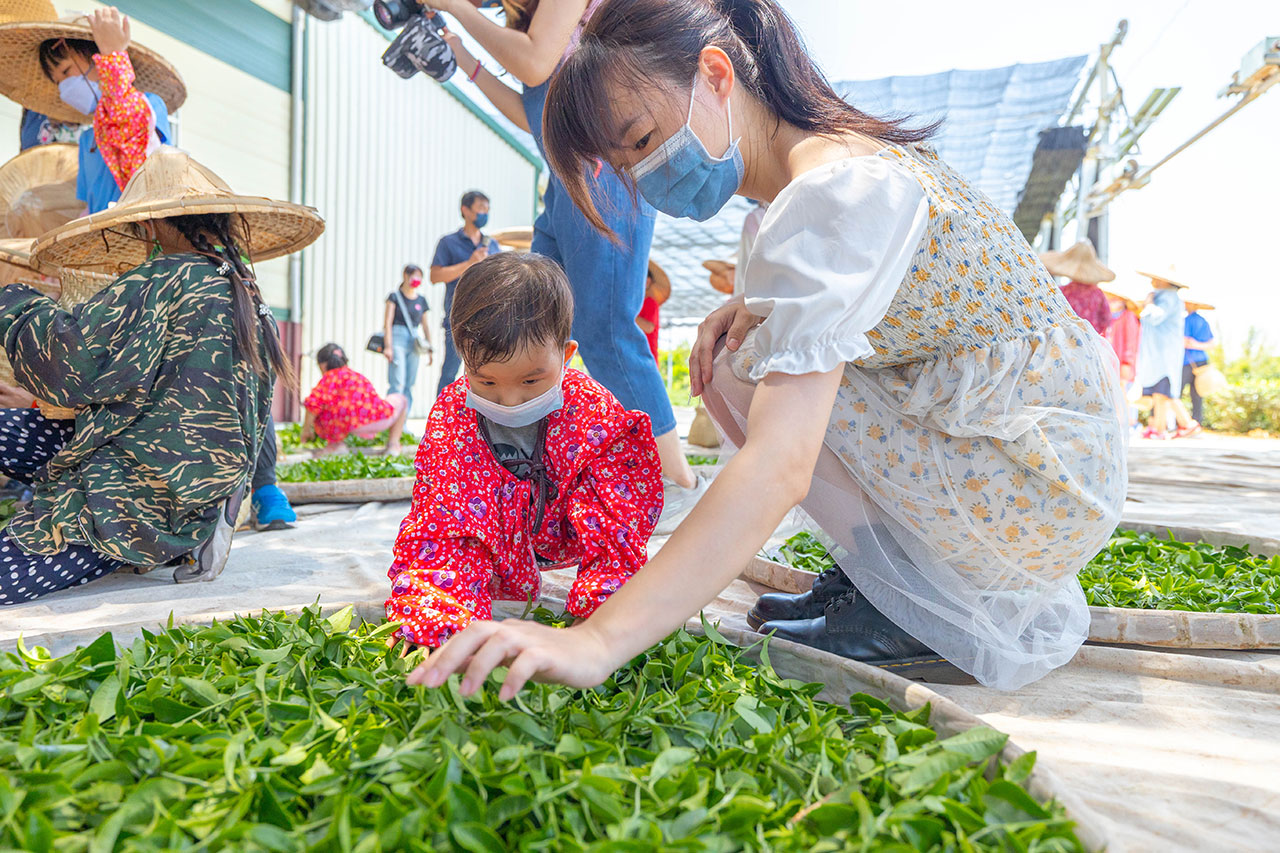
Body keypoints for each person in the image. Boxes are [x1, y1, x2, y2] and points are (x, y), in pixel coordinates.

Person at [406, 0, 1126, 698]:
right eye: (624, 165)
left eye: (642, 138)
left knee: (749, 370)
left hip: (1033, 486)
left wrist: (598, 640)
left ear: (716, 74)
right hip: (1045, 466)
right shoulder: (840, 159)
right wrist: (753, 305)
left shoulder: (831, 193)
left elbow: (780, 464)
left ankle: (914, 603)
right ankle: (887, 582)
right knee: (736, 350)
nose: (647, 175)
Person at [0, 147, 321, 604]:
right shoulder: (246, 292)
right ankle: (180, 537)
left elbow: (68, 362)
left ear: (149, 225)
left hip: (131, 503)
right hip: (193, 495)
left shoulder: (165, 278)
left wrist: (15, 300)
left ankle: (128, 542)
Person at [436, 1, 706, 534]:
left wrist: (455, 9)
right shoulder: (523, 24)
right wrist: (462, 57)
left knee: (606, 328)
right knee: (529, 321)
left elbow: (535, 61)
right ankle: (527, 482)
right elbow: (532, 114)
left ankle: (677, 482)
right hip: (564, 181)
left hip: (602, 171)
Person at [385, 252, 662, 648]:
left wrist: (602, 626)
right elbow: (443, 522)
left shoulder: (592, 411)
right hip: (488, 529)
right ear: (464, 361)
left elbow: (617, 522)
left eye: (532, 381)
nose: (510, 401)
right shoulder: (454, 414)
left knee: (616, 583)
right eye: (487, 382)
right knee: (442, 572)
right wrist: (436, 618)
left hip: (564, 528)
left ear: (566, 355)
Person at [430, 193, 495, 397]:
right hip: (457, 319)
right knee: (449, 372)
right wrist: (469, 264)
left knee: (485, 373)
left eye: (487, 209)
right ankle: (441, 414)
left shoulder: (492, 245)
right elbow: (435, 276)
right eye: (481, 208)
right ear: (465, 210)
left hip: (488, 321)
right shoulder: (448, 242)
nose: (485, 213)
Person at [302, 343, 409, 456]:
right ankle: (393, 445)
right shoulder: (356, 376)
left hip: (342, 427)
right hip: (374, 420)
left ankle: (335, 445)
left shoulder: (327, 380)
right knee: (401, 399)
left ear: (323, 365)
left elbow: (312, 405)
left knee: (331, 409)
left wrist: (306, 430)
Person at [1135, 267, 1189, 440]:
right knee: (1160, 393)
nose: (1153, 282)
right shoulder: (1164, 297)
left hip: (1164, 354)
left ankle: (1188, 423)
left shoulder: (1168, 298)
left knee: (1167, 392)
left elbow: (1154, 317)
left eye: (1157, 279)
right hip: (1159, 354)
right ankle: (1158, 428)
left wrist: (1149, 303)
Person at [384, 263, 434, 413]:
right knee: (397, 383)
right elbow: (387, 323)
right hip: (397, 338)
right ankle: (391, 418)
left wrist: (430, 348)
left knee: (409, 384)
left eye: (419, 276)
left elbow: (425, 326)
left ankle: (403, 421)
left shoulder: (421, 300)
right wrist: (388, 346)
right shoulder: (394, 297)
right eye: (414, 275)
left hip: (414, 341)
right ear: (405, 276)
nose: (417, 279)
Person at [1038, 240, 1115, 336]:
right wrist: (1094, 331)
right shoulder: (1097, 294)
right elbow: (1106, 319)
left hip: (1065, 339)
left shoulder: (1061, 291)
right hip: (1090, 338)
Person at [1103, 285, 1141, 430]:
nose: (1112, 301)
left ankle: (1129, 422)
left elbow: (1131, 343)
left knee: (1123, 391)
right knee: (1113, 393)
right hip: (1110, 362)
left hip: (1123, 362)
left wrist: (1127, 363)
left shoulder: (1128, 317)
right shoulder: (1109, 318)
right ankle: (1119, 422)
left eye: (1116, 299)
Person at [1179, 293, 1215, 431]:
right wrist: (1198, 345)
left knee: (1177, 393)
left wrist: (1192, 344)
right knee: (1197, 393)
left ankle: (1182, 423)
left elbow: (1184, 341)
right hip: (1202, 361)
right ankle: (1197, 422)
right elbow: (1211, 343)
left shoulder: (1187, 321)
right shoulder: (1203, 321)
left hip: (1188, 362)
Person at [636, 261, 670, 363]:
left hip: (646, 359)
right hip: (634, 357)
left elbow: (649, 327)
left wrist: (627, 314)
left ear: (647, 282)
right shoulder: (634, 305)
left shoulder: (650, 303)